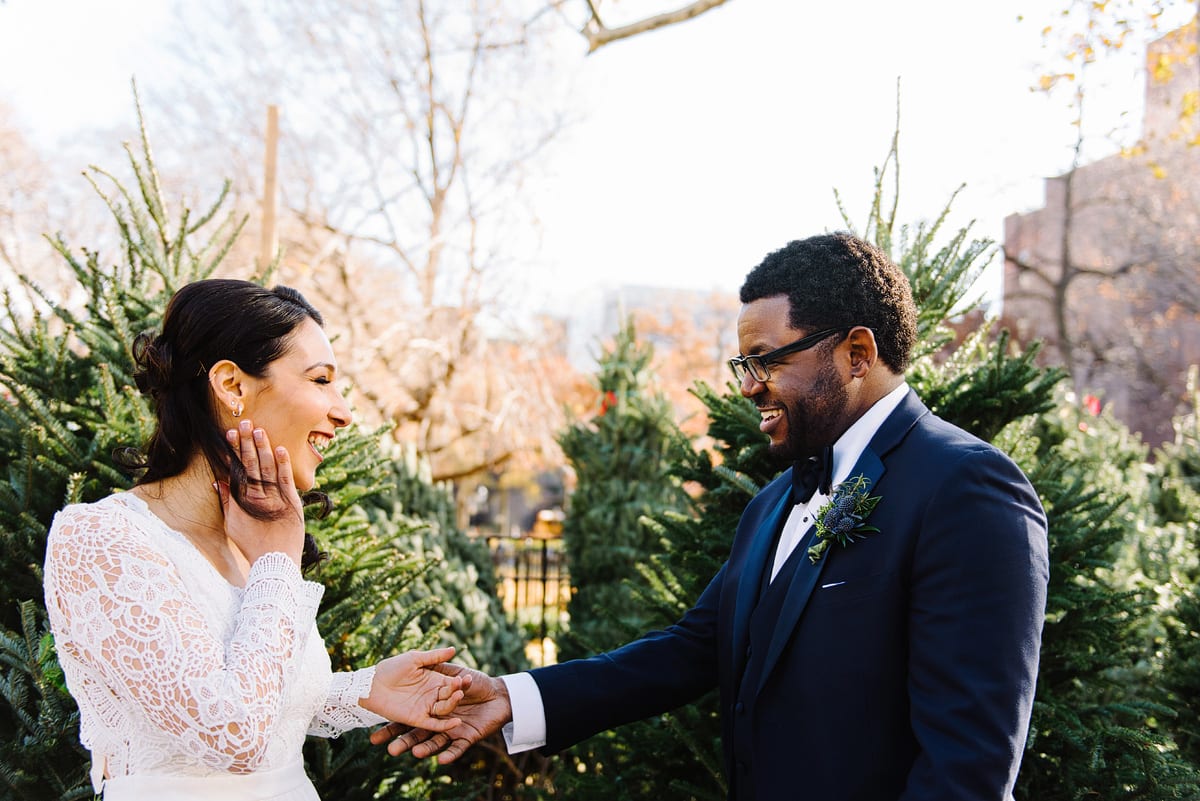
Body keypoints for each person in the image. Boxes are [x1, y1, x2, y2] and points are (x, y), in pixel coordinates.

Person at [374, 233, 1051, 801]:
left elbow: (968, 767)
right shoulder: (770, 505)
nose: (749, 384)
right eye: (742, 364)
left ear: (857, 354)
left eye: (767, 360)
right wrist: (515, 699)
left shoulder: (967, 487)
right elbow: (689, 651)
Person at [43, 279, 468, 800]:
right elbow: (232, 732)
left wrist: (366, 690)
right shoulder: (101, 539)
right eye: (320, 380)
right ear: (232, 386)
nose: (343, 411)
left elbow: (266, 700)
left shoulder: (252, 540)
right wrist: (277, 562)